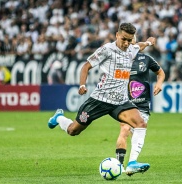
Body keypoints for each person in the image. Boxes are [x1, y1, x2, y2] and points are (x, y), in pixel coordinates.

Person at [47, 23, 156, 175]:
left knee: (140, 123)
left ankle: (132, 163)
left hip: (120, 101)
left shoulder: (132, 48)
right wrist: (82, 85)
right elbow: (86, 66)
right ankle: (59, 118)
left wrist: (150, 42)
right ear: (117, 35)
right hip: (100, 100)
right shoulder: (107, 50)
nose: (126, 43)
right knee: (73, 131)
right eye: (124, 39)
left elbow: (140, 45)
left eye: (129, 40)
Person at [115, 37, 165, 176]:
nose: (130, 46)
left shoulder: (146, 59)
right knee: (124, 129)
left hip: (143, 103)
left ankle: (131, 162)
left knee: (137, 131)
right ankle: (119, 166)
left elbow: (160, 73)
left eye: (133, 43)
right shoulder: (120, 60)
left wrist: (159, 84)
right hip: (126, 102)